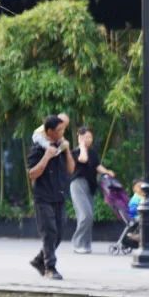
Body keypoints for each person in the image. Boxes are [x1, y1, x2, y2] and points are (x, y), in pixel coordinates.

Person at [27, 115, 75, 280]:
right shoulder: (38, 149)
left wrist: (67, 150)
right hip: (43, 197)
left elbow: (71, 169)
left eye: (63, 129)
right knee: (49, 232)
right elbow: (32, 173)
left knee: (59, 233)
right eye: (59, 130)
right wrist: (46, 156)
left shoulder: (60, 147)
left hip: (59, 196)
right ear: (49, 131)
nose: (62, 133)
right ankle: (50, 268)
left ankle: (40, 260)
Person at [69, 127, 116, 254]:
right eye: (86, 137)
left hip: (90, 186)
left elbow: (97, 166)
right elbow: (83, 159)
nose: (89, 139)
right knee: (86, 215)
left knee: (88, 216)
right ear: (80, 138)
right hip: (78, 185)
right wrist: (82, 146)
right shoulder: (75, 152)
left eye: (90, 137)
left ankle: (86, 245)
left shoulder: (93, 152)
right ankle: (77, 243)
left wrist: (107, 171)